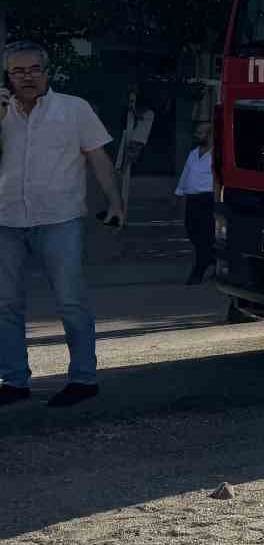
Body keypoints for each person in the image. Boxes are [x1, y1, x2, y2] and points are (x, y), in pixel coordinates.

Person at [0, 42, 126, 408]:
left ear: (47, 71)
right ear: (8, 75)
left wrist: (115, 202)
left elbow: (98, 158)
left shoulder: (74, 109)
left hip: (60, 218)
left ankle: (84, 378)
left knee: (71, 301)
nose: (27, 77)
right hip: (6, 219)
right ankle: (14, 381)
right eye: (18, 71)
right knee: (6, 304)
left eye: (34, 69)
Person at [100, 89, 155, 226]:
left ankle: (121, 174)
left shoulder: (148, 113)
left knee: (125, 166)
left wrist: (131, 107)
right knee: (125, 166)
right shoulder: (146, 114)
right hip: (136, 140)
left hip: (137, 140)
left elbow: (138, 115)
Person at [175, 120, 215, 285]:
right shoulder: (193, 153)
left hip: (208, 199)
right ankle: (213, 260)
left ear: (210, 135)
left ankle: (199, 269)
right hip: (192, 200)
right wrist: (179, 193)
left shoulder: (216, 154)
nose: (197, 136)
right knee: (192, 232)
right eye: (197, 132)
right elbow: (186, 174)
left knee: (204, 236)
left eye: (201, 133)